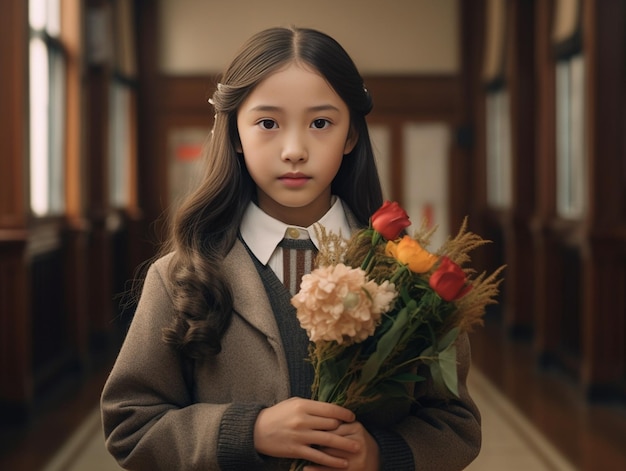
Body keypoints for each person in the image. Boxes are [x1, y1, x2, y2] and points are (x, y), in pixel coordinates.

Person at [101, 26, 481, 471]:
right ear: (236, 136)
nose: (295, 150)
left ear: (351, 136)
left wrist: (379, 454)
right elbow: (129, 425)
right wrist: (249, 431)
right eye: (267, 123)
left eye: (321, 123)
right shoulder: (180, 275)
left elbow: (456, 423)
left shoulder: (409, 273)